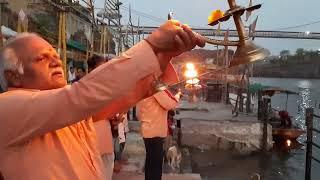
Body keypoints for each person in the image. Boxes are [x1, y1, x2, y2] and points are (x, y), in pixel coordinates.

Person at [0, 20, 205, 179]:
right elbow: (80, 95)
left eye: (55, 56)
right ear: (13, 76)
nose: (56, 62)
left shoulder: (64, 111)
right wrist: (151, 45)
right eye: (42, 58)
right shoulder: (7, 107)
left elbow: (123, 97)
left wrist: (162, 58)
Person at [137, 89, 181, 180]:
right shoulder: (155, 89)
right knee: (156, 163)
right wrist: (178, 96)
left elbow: (138, 114)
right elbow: (169, 104)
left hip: (147, 130)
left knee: (150, 161)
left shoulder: (142, 90)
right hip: (155, 131)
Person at [87, 55, 115, 180]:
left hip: (105, 143)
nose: (104, 71)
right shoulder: (84, 89)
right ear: (91, 70)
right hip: (91, 146)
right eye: (101, 68)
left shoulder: (106, 88)